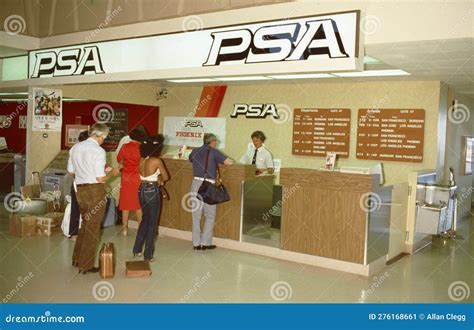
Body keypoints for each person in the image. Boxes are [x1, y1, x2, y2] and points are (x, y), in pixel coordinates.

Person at [67, 123, 120, 275]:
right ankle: (86, 265)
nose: (104, 139)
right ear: (101, 135)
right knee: (93, 228)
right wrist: (114, 172)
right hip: (95, 191)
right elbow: (100, 178)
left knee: (85, 224)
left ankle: (77, 258)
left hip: (80, 190)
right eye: (105, 137)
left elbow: (71, 171)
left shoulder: (75, 148)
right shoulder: (99, 151)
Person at [189, 133, 233, 250]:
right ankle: (205, 243)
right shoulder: (214, 151)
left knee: (196, 215)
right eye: (215, 141)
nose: (216, 143)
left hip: (196, 184)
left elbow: (190, 159)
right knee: (210, 215)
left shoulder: (195, 151)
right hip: (209, 186)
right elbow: (230, 162)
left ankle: (196, 244)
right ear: (212, 142)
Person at [133, 134, 169, 262]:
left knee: (144, 220)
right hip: (152, 191)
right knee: (152, 223)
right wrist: (160, 178)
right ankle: (148, 255)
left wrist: (157, 177)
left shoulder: (141, 159)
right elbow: (166, 177)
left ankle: (137, 249)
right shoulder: (157, 161)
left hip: (141, 190)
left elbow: (147, 175)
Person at [117, 128, 147, 235]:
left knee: (125, 204)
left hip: (126, 178)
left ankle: (124, 229)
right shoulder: (141, 148)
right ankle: (140, 229)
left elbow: (119, 159)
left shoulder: (125, 146)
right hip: (137, 178)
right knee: (138, 205)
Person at [68, 130, 89, 239]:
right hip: (87, 184)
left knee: (75, 208)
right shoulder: (92, 150)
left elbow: (70, 171)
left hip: (77, 183)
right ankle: (84, 233)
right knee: (89, 209)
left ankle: (74, 233)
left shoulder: (73, 149)